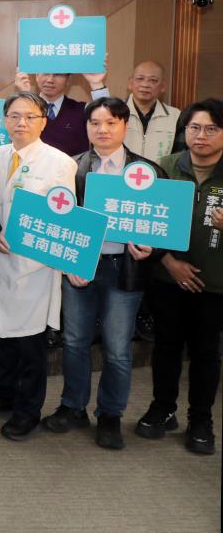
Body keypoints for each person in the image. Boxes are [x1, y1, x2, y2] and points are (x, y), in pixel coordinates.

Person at [42, 97, 158, 450]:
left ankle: (110, 414)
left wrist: (151, 248)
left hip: (124, 269)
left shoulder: (147, 172)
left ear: (125, 125)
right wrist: (69, 262)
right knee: (75, 341)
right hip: (82, 266)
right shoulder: (72, 167)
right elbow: (59, 220)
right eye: (95, 123)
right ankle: (73, 406)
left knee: (118, 348)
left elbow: (163, 223)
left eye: (111, 123)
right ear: (86, 127)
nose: (102, 130)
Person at [0, 92, 77, 441]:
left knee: (29, 343)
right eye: (14, 116)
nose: (21, 123)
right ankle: (3, 393)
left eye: (30, 116)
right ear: (4, 120)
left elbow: (62, 218)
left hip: (35, 266)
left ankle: (28, 411)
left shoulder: (59, 162)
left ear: (43, 121)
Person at [138, 98, 223, 455]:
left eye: (212, 129)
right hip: (167, 278)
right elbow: (146, 221)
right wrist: (169, 261)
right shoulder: (166, 166)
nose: (201, 136)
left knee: (206, 352)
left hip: (214, 282)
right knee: (167, 346)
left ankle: (201, 419)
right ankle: (163, 408)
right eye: (194, 128)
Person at [12, 70, 109, 157]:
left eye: (58, 74)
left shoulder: (82, 109)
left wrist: (96, 84)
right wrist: (26, 96)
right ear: (37, 75)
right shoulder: (24, 108)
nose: (50, 80)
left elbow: (107, 118)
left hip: (74, 171)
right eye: (46, 73)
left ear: (68, 79)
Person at [122, 61, 180, 160]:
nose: (145, 84)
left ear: (163, 86)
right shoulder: (114, 112)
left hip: (159, 170)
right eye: (140, 79)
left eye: (153, 80)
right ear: (130, 83)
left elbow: (178, 157)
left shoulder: (175, 116)